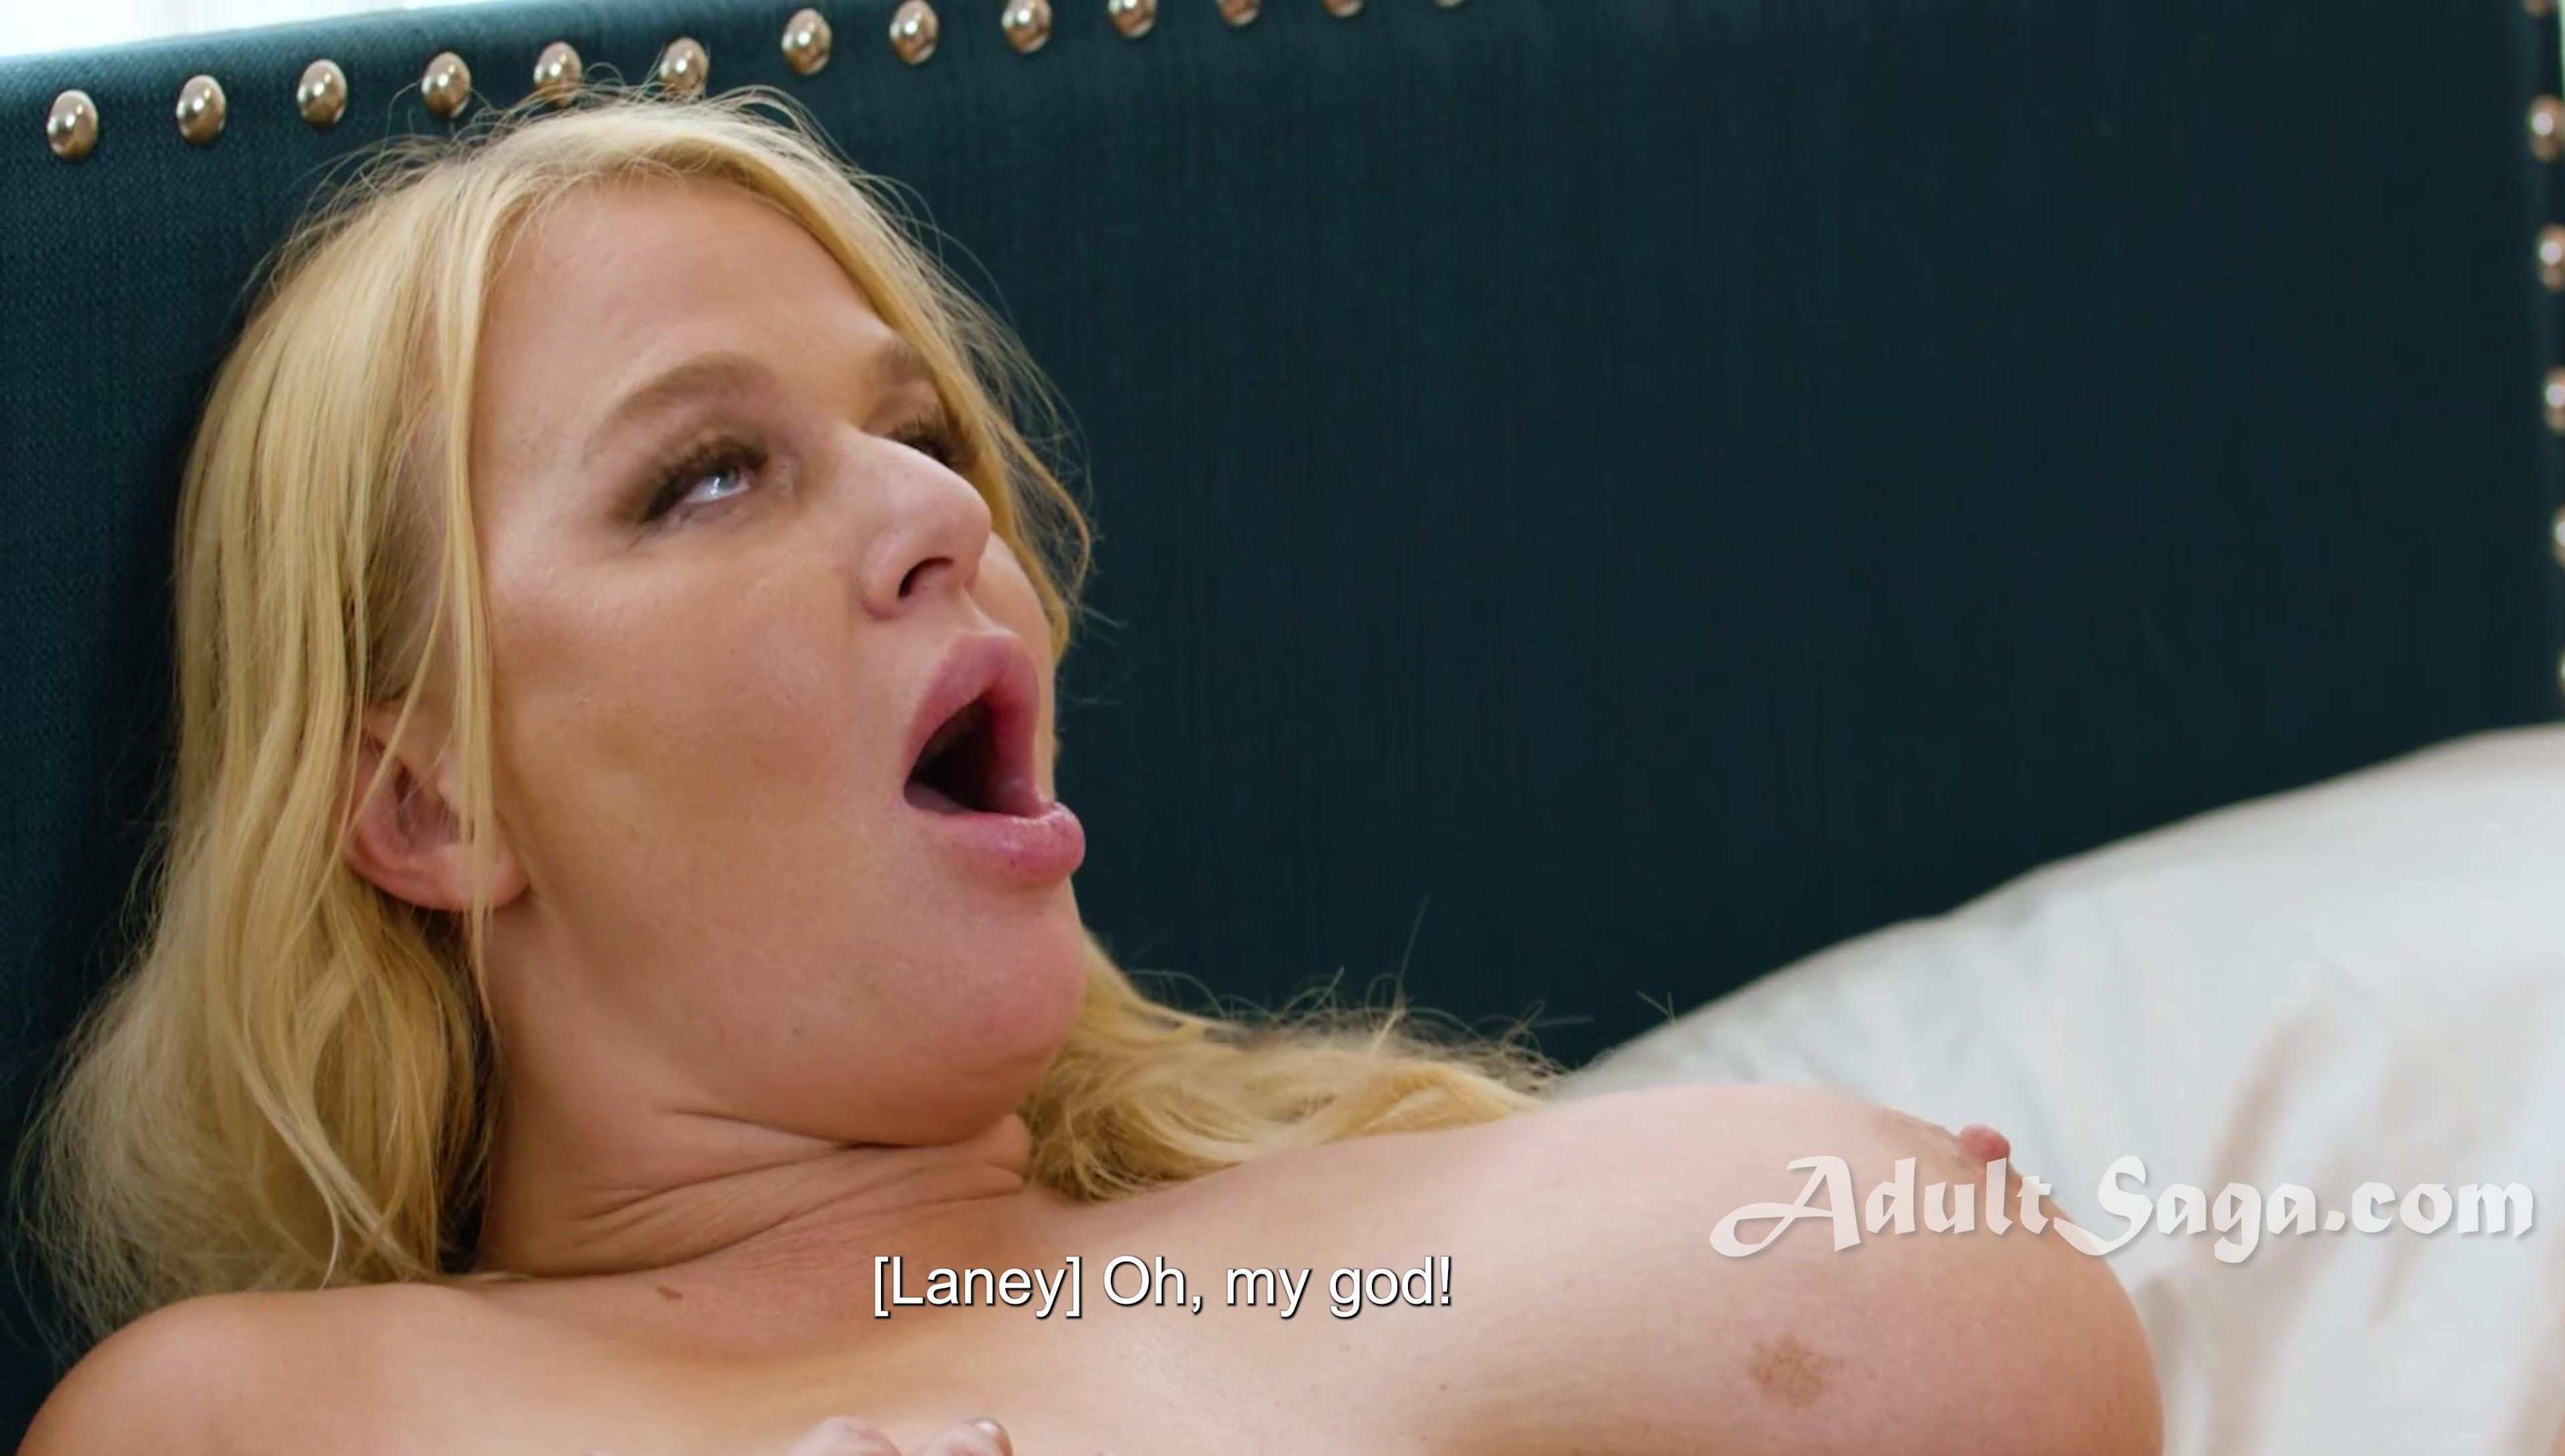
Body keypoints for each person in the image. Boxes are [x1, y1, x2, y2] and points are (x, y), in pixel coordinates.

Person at [16, 94, 2160, 1456]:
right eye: (707, 475)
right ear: (433, 806)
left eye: (917, 433)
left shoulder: (1400, 1228)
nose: (944, 514)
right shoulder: (261, 1412)